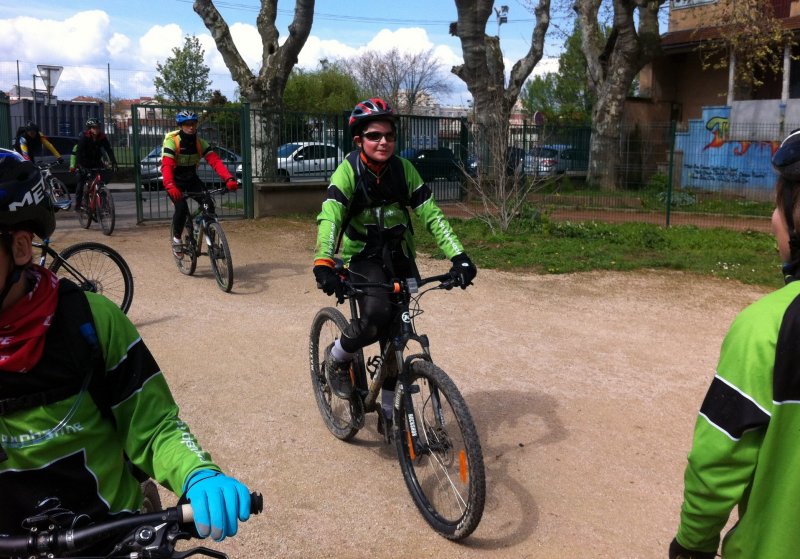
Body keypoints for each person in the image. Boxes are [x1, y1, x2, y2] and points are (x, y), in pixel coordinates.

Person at [0, 148, 252, 545]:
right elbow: (166, 172)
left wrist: (197, 471)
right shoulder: (161, 142)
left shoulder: (89, 321)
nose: (188, 130)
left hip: (110, 535)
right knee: (180, 208)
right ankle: (177, 236)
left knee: (196, 202)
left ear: (18, 247)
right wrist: (164, 186)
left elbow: (153, 425)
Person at [669, 128, 800, 559]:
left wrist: (692, 545)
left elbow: (717, 461)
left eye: (779, 204)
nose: (772, 219)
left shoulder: (769, 328)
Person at [312, 97, 477, 432]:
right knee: (374, 319)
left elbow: (431, 214)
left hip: (400, 256)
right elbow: (330, 216)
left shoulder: (404, 170)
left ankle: (389, 411)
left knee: (397, 334)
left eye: (389, 135)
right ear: (359, 140)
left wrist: (458, 256)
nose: (383, 141)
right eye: (374, 135)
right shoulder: (348, 172)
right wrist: (325, 262)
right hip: (363, 258)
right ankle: (337, 358)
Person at [161, 110, 239, 257]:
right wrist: (170, 184)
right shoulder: (173, 142)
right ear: (181, 126)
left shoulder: (200, 143)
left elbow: (215, 161)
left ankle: (200, 226)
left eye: (193, 124)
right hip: (175, 182)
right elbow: (166, 165)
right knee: (181, 208)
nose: (191, 127)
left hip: (192, 180)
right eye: (187, 124)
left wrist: (228, 178)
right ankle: (177, 239)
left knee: (208, 204)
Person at [70, 118, 118, 212]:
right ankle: (78, 205)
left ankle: (103, 205)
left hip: (96, 161)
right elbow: (78, 152)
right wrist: (79, 166)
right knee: (81, 183)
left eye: (98, 128)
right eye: (94, 128)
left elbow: (108, 149)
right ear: (90, 129)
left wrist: (114, 162)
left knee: (100, 182)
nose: (97, 129)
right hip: (84, 162)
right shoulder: (85, 137)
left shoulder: (102, 137)